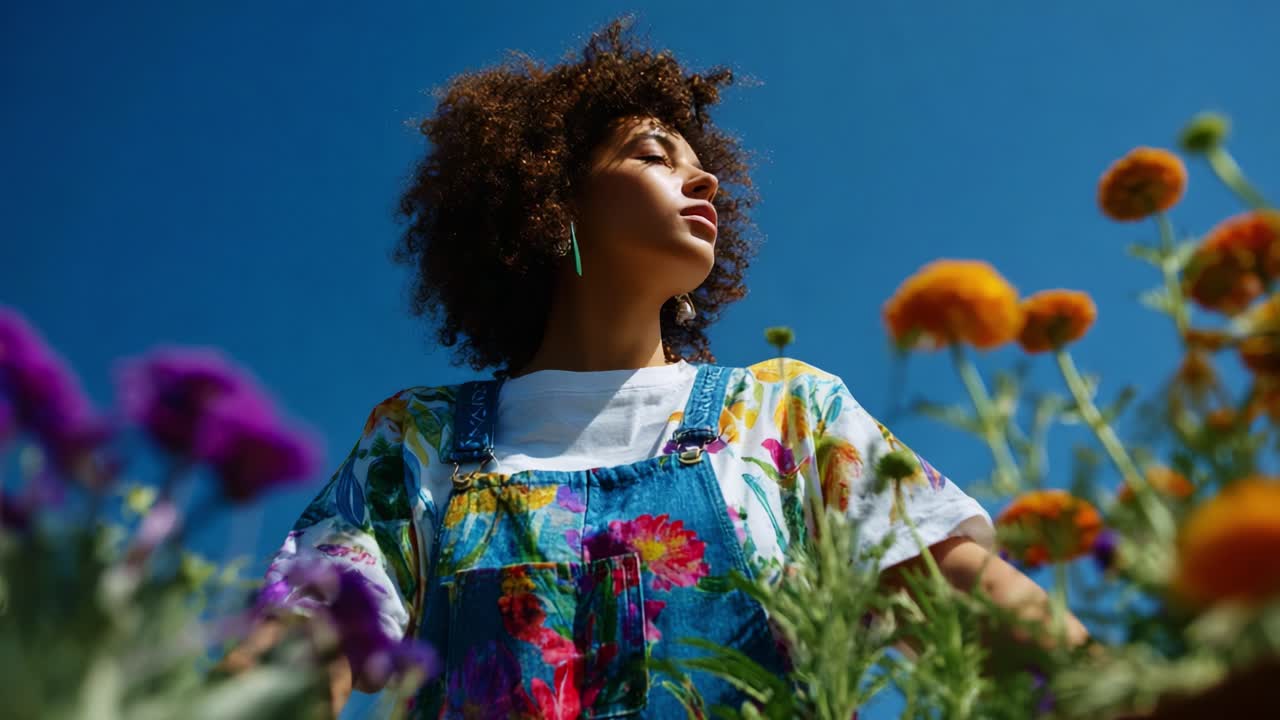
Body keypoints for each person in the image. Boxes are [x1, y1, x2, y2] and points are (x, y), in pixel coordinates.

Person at [226, 18, 1088, 718]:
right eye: (652, 154)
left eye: (701, 162)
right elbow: (312, 636)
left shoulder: (791, 415)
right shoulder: (420, 438)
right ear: (549, 198)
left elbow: (964, 602)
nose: (704, 177)